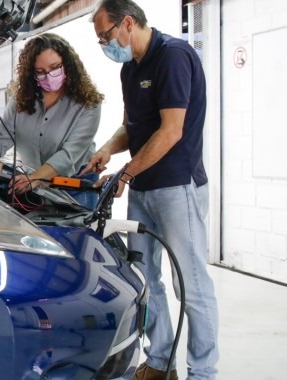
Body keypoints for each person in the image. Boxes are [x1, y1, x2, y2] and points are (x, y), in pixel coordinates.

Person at [82, 1, 219, 379]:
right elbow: (134, 126)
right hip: (143, 188)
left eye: (106, 36)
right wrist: (108, 149)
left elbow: (171, 130)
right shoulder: (130, 68)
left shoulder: (174, 56)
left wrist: (124, 174)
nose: (105, 45)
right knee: (144, 278)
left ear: (128, 22)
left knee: (189, 283)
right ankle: (160, 361)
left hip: (177, 188)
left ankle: (203, 371)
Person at [0, 33, 104, 210]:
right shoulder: (21, 102)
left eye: (55, 68)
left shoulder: (88, 103)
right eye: (40, 72)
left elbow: (69, 155)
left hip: (75, 185)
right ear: (31, 73)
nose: (49, 75)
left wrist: (35, 178)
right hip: (34, 182)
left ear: (68, 64)